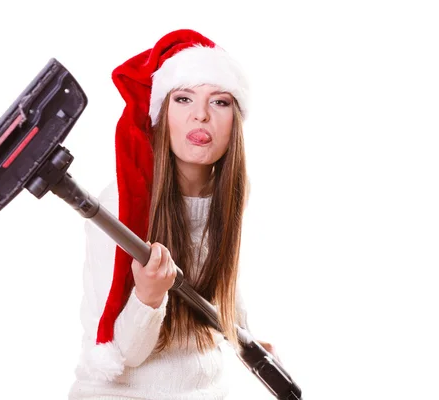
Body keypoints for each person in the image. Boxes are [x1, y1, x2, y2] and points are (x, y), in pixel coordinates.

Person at [68, 29, 278, 400]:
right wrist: (148, 297)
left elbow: (218, 282)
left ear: (235, 121)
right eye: (183, 99)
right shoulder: (119, 207)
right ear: (162, 115)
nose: (200, 115)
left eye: (219, 102)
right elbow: (124, 353)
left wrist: (242, 335)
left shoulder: (229, 200)